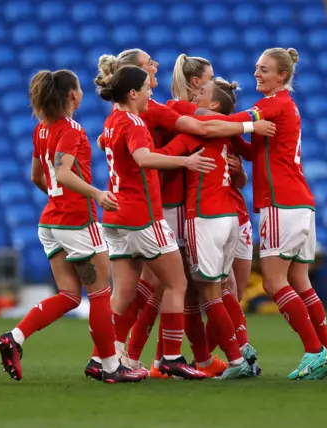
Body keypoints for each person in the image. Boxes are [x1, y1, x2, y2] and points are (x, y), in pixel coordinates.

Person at [86, 49, 275, 380]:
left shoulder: (117, 118)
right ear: (134, 86)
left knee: (144, 289)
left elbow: (108, 142)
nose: (155, 68)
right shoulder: (154, 111)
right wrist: (250, 123)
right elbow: (194, 129)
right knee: (174, 285)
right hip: (160, 208)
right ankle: (176, 358)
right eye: (148, 69)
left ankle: (114, 356)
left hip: (133, 210)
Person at [0, 69, 147, 383]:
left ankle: (15, 337)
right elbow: (62, 174)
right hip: (78, 223)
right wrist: (97, 194)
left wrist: (58, 198)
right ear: (73, 96)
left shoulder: (41, 130)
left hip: (50, 222)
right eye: (78, 89)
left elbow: (38, 176)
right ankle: (108, 366)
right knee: (102, 294)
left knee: (69, 295)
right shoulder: (72, 130)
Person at [98, 65, 221, 379]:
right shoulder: (134, 121)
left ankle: (103, 357)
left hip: (116, 216)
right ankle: (170, 357)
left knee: (124, 293)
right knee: (176, 283)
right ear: (133, 93)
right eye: (147, 88)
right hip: (142, 216)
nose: (152, 93)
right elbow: (143, 158)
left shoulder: (111, 120)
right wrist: (185, 160)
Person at [248, 47, 327, 380]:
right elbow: (256, 147)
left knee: (274, 282)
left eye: (264, 69)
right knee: (299, 280)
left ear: (282, 76)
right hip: (301, 202)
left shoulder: (272, 104)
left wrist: (200, 116)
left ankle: (314, 350)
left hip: (280, 203)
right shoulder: (286, 106)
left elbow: (239, 122)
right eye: (257, 68)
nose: (256, 73)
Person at [158, 77, 259, 379]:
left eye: (201, 93)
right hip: (230, 218)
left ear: (213, 105)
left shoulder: (196, 132)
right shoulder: (226, 135)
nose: (195, 95)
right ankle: (238, 348)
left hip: (204, 216)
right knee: (222, 290)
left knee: (209, 294)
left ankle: (236, 358)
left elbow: (164, 156)